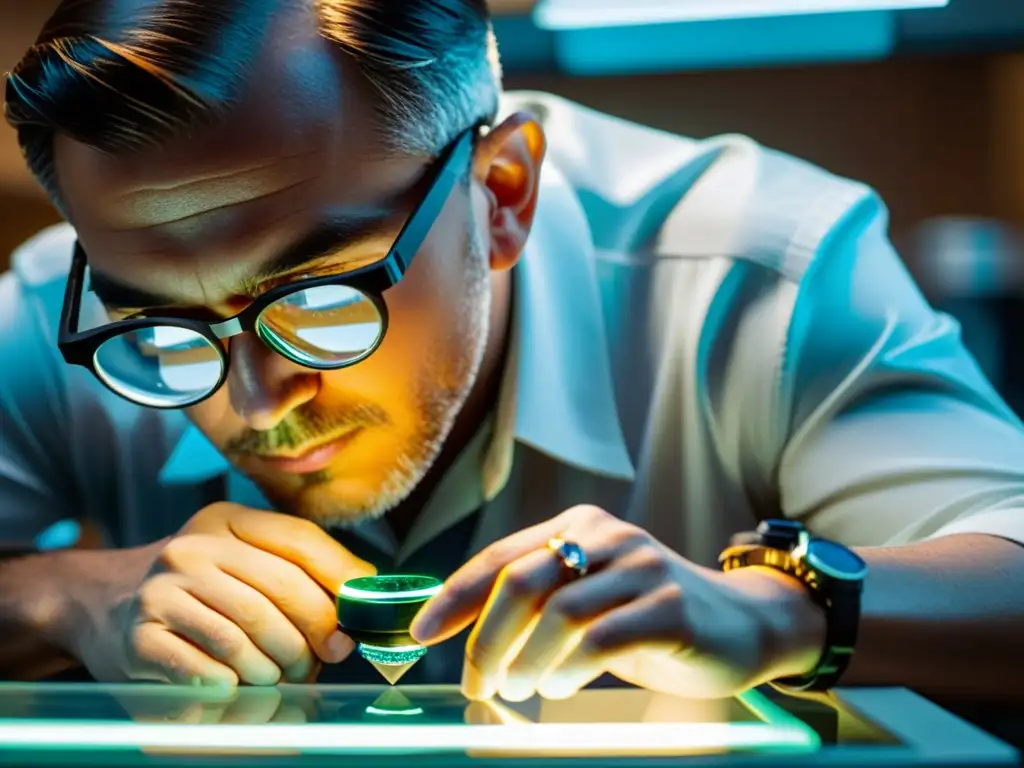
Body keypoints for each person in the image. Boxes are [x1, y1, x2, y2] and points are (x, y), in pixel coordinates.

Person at [1, 0, 1022, 703]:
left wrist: (769, 611)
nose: (256, 406)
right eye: (171, 327)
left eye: (314, 301)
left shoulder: (762, 272)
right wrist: (68, 595)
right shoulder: (65, 302)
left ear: (500, 196)